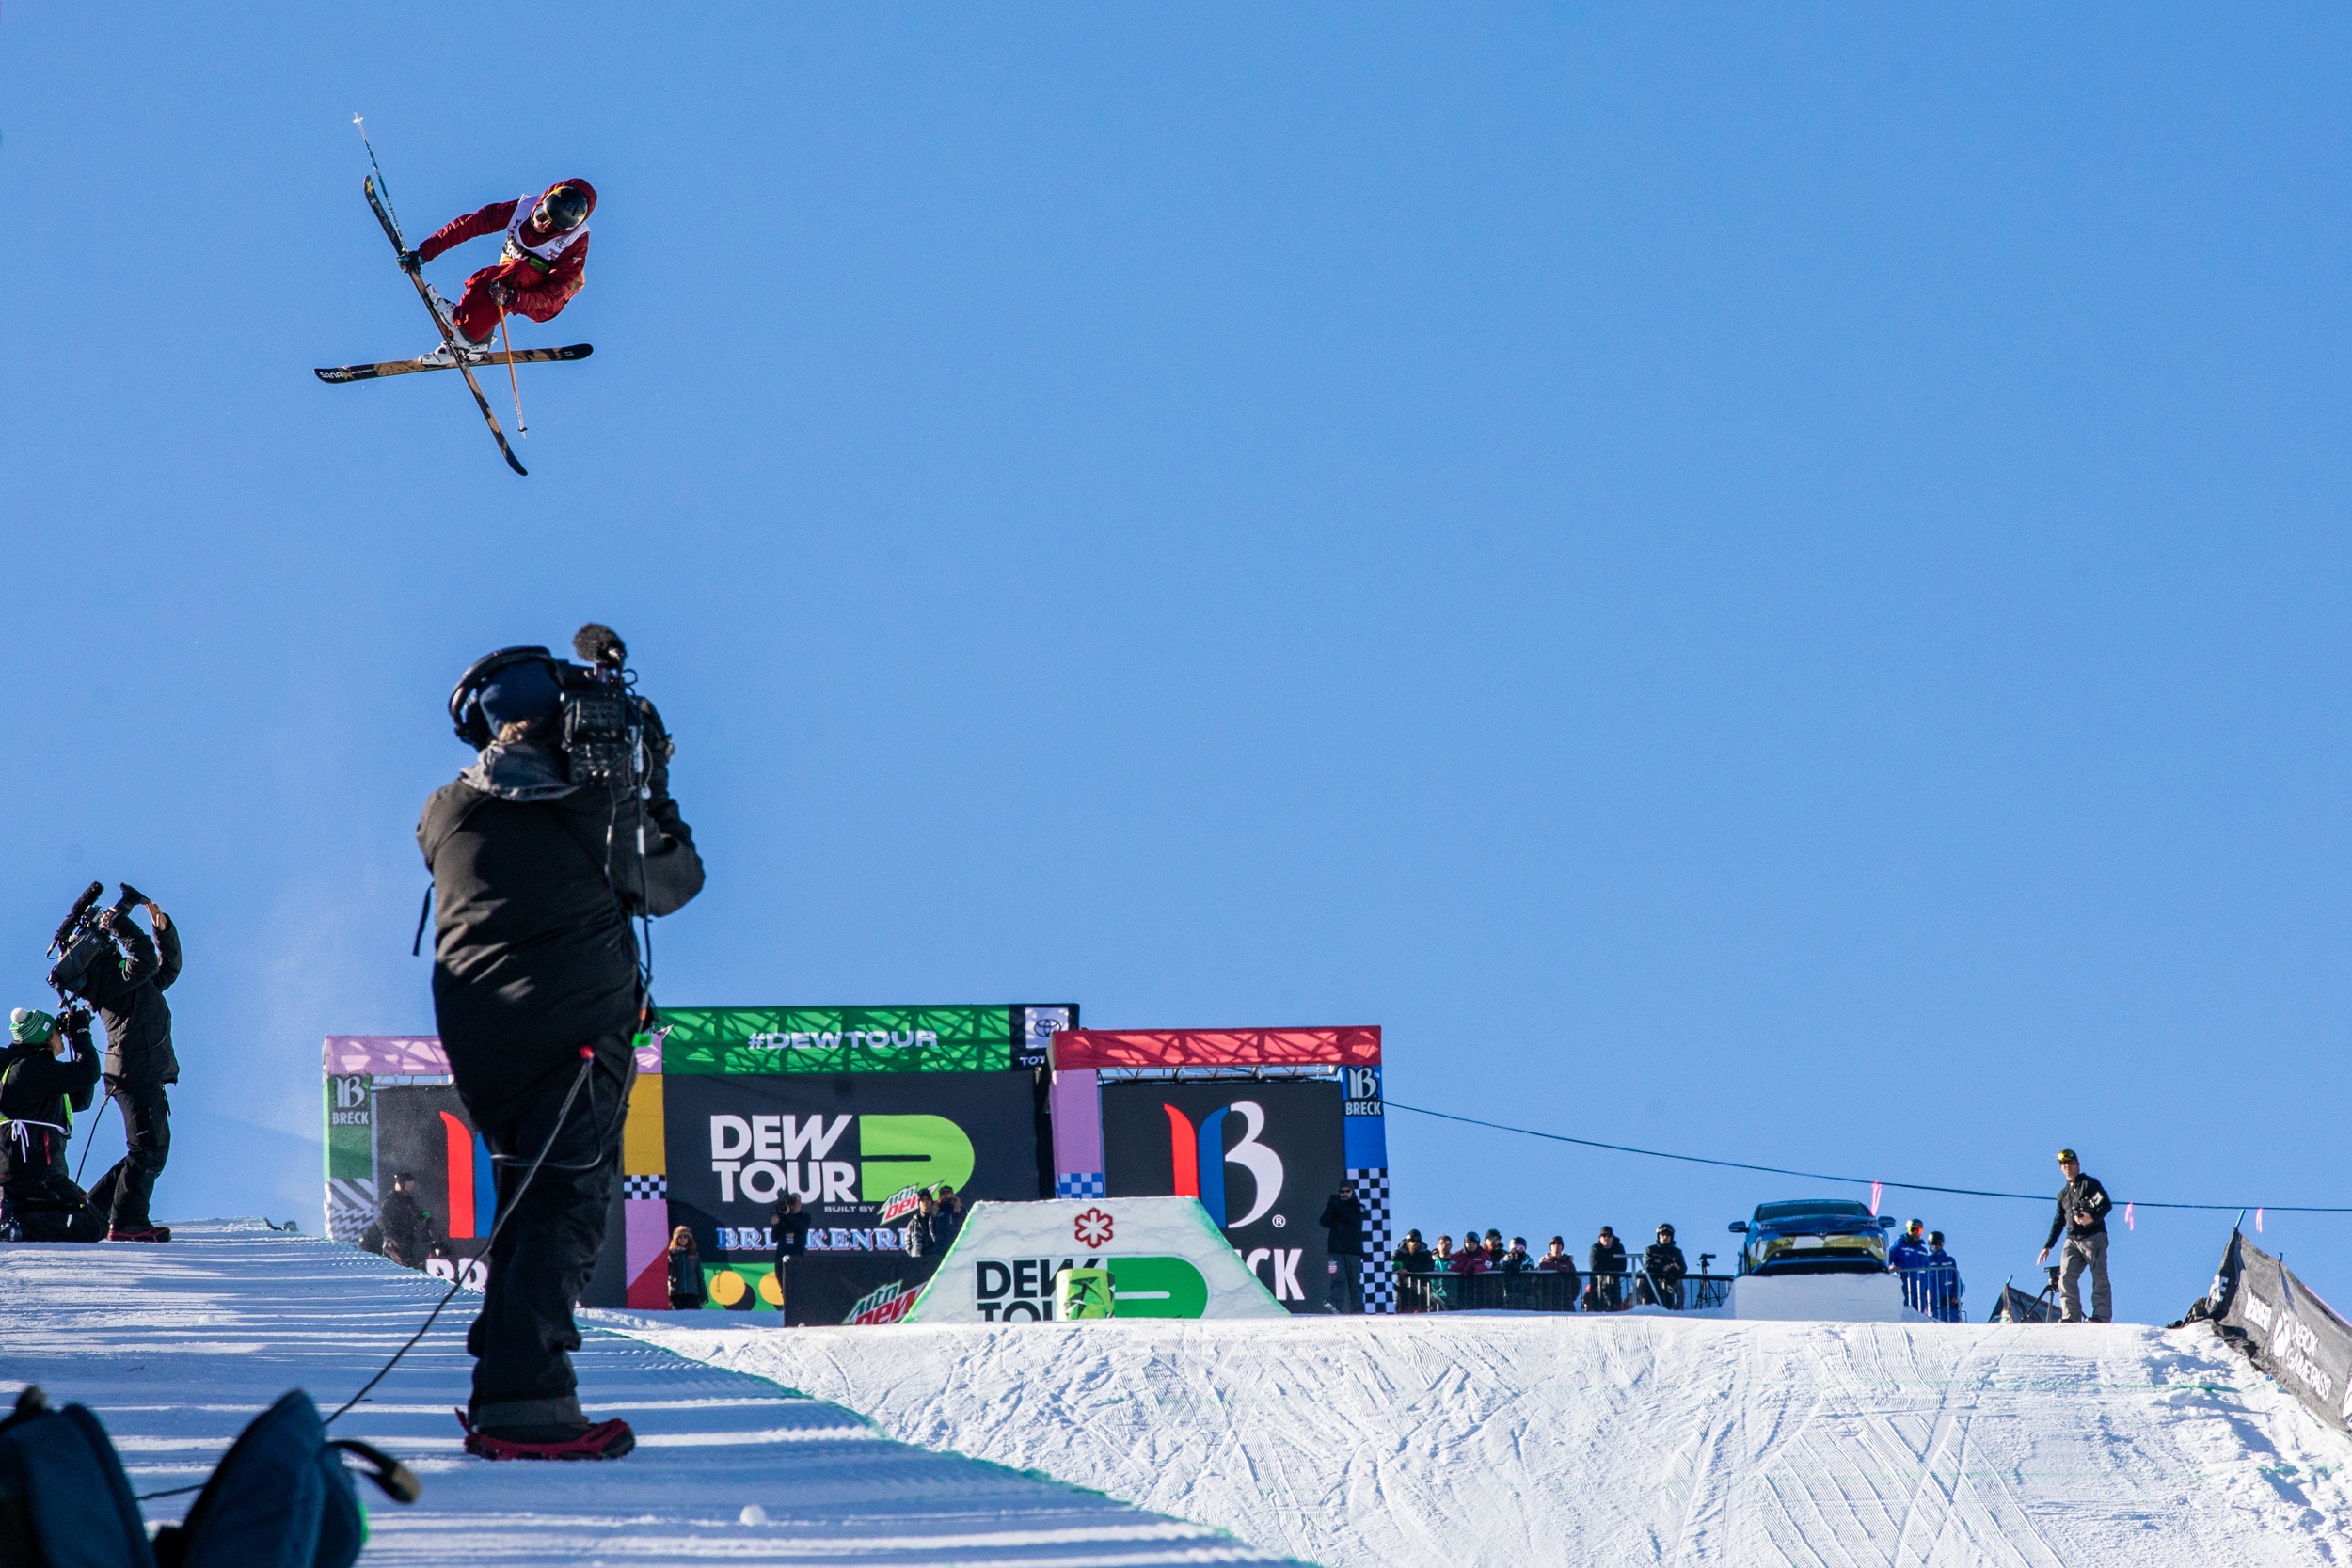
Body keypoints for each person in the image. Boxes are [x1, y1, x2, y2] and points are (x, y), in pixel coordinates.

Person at [419, 630, 705, 1460]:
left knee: (528, 1196)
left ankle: (507, 1375)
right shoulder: (593, 809)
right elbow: (673, 882)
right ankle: (527, 1402)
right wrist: (651, 787)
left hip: (482, 1042)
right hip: (573, 1033)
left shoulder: (447, 810)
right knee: (566, 1205)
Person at [51, 890, 179, 1243]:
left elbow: (164, 972)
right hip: (134, 1073)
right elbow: (144, 963)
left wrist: (163, 932)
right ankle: (127, 1222)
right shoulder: (107, 979)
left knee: (148, 1149)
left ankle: (95, 1210)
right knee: (148, 1150)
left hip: (141, 1072)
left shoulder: (123, 979)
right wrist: (119, 923)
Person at [400, 180, 596, 360]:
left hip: (545, 300)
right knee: (484, 279)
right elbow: (472, 224)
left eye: (551, 227)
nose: (540, 225)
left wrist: (515, 297)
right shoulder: (522, 209)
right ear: (542, 202)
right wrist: (424, 253)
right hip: (510, 280)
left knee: (513, 274)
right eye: (540, 215)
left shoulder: (575, 242)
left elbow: (556, 290)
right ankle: (476, 342)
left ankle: (467, 336)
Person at [0, 1007, 105, 1243]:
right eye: (58, 1032)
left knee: (81, 1215)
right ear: (46, 1038)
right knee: (93, 1224)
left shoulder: (29, 1072)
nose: (61, 1035)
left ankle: (12, 1213)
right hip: (36, 1170)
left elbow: (80, 1097)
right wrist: (80, 1032)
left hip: (20, 1169)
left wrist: (75, 1039)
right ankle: (14, 1227)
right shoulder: (29, 1069)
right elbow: (88, 1072)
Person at [2037, 1148, 2113, 1323]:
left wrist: (2091, 1218)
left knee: (2099, 1276)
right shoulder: (2062, 1194)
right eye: (2064, 1165)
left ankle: (2101, 1317)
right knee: (2065, 1277)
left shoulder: (2090, 1184)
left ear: (2077, 1164)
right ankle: (2070, 1316)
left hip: (2094, 1237)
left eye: (2070, 1164)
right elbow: (2058, 1221)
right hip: (2072, 1238)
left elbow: (2106, 1204)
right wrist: (2048, 1246)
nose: (2067, 1168)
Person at [1320, 1180, 1368, 1314]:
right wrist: (1331, 1205)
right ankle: (1335, 1304)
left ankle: (1357, 1309)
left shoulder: (1358, 1206)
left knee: (1354, 1283)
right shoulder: (1335, 1205)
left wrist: (1338, 1204)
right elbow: (1324, 1222)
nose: (1345, 1194)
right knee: (1337, 1279)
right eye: (1342, 1191)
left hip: (1353, 1252)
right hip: (1336, 1251)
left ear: (1352, 1192)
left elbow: (1353, 1219)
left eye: (1348, 1191)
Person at [376, 1172, 435, 1268]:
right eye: (408, 1185)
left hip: (409, 1240)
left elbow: (419, 1212)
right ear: (400, 1184)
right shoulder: (391, 1201)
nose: (410, 1189)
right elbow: (382, 1218)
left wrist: (427, 1217)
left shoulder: (409, 1200)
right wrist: (388, 1236)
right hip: (397, 1241)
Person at [771, 1193, 809, 1320]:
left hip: (796, 1257)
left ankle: (799, 1314)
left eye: (798, 1201)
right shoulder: (783, 1218)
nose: (797, 1204)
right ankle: (788, 1313)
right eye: (794, 1202)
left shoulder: (804, 1217)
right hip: (781, 1257)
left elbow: (801, 1227)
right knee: (784, 1286)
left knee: (796, 1287)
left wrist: (787, 1215)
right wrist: (775, 1224)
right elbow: (773, 1238)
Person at [1640, 1224, 1688, 1309]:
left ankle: (1678, 1311)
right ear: (1658, 1236)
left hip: (1671, 1280)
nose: (1665, 1237)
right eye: (1663, 1235)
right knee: (1641, 1276)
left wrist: (1676, 1267)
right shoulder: (1651, 1249)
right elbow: (1647, 1266)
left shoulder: (1676, 1252)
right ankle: (1643, 1308)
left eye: (1668, 1235)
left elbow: (1684, 1268)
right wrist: (1662, 1268)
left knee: (1680, 1288)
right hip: (1654, 1281)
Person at [1926, 1231, 1964, 1323]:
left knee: (1953, 1324)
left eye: (1940, 1243)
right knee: (1935, 1323)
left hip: (1949, 1299)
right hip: (1934, 1301)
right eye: (1934, 1243)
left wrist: (1956, 1294)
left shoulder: (1949, 1260)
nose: (1937, 1246)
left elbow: (1957, 1279)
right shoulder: (1927, 1261)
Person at [665, 1227, 707, 1312]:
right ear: (675, 1239)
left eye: (685, 1236)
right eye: (680, 1237)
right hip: (676, 1293)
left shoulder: (694, 1254)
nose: (682, 1239)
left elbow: (700, 1274)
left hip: (692, 1293)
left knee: (693, 1319)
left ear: (689, 1238)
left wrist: (703, 1293)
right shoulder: (670, 1253)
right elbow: (665, 1273)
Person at [1588, 1226, 1628, 1311]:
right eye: (1604, 1236)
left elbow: (1622, 1267)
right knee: (1597, 1310)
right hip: (1598, 1285)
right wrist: (1611, 1264)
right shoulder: (1595, 1248)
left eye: (1609, 1236)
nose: (1606, 1238)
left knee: (1615, 1308)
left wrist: (1605, 1264)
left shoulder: (1618, 1247)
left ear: (1613, 1238)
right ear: (1600, 1238)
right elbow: (1594, 1267)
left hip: (1614, 1285)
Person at [902, 1189, 939, 1256]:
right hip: (919, 1260)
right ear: (919, 1203)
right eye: (922, 1199)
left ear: (931, 1201)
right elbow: (907, 1242)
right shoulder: (913, 1222)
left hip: (935, 1258)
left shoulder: (938, 1218)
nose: (925, 1201)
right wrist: (913, 1254)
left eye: (927, 1199)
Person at [931, 1185, 967, 1251]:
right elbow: (932, 1228)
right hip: (941, 1245)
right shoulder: (936, 1210)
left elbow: (967, 1223)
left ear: (952, 1194)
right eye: (943, 1192)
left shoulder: (961, 1209)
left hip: (957, 1243)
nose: (945, 1194)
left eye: (948, 1192)